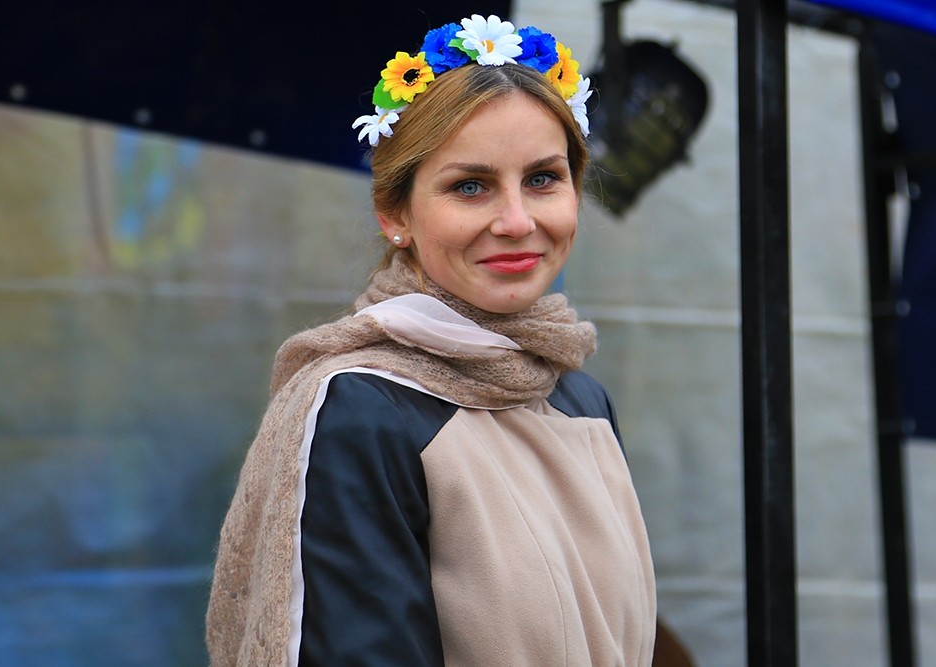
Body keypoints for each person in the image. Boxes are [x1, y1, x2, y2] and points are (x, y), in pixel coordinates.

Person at [206, 14, 656, 666]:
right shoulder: (361, 411)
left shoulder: (581, 399)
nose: (516, 220)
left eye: (542, 179)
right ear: (396, 215)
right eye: (470, 186)